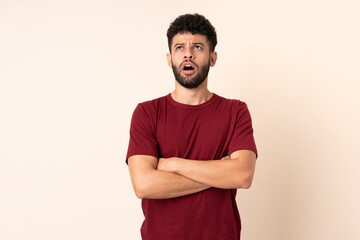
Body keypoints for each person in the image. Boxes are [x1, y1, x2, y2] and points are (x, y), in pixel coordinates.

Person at [126, 13, 258, 240]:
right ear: (169, 59)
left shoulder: (235, 111)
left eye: (197, 46)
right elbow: (144, 185)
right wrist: (219, 172)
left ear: (213, 57)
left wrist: (173, 164)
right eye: (179, 47)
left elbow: (242, 175)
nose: (188, 53)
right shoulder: (147, 113)